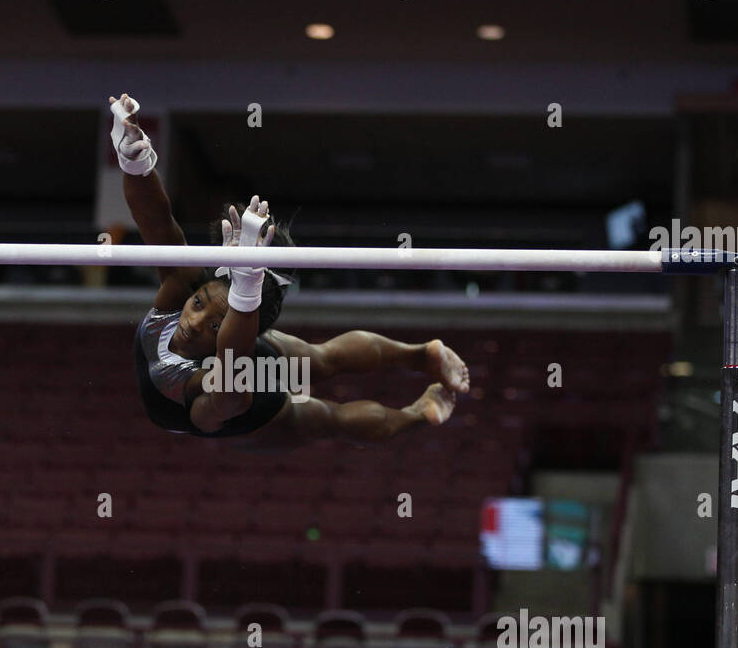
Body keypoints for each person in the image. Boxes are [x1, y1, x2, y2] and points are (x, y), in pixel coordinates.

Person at [112, 93, 471, 447]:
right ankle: (420, 374)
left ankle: (419, 386)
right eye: (199, 304)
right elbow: (158, 224)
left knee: (331, 415)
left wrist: (247, 287)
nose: (193, 322)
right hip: (236, 389)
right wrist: (135, 165)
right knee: (322, 362)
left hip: (244, 380)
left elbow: (229, 392)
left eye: (215, 325)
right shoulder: (182, 288)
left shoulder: (216, 374)